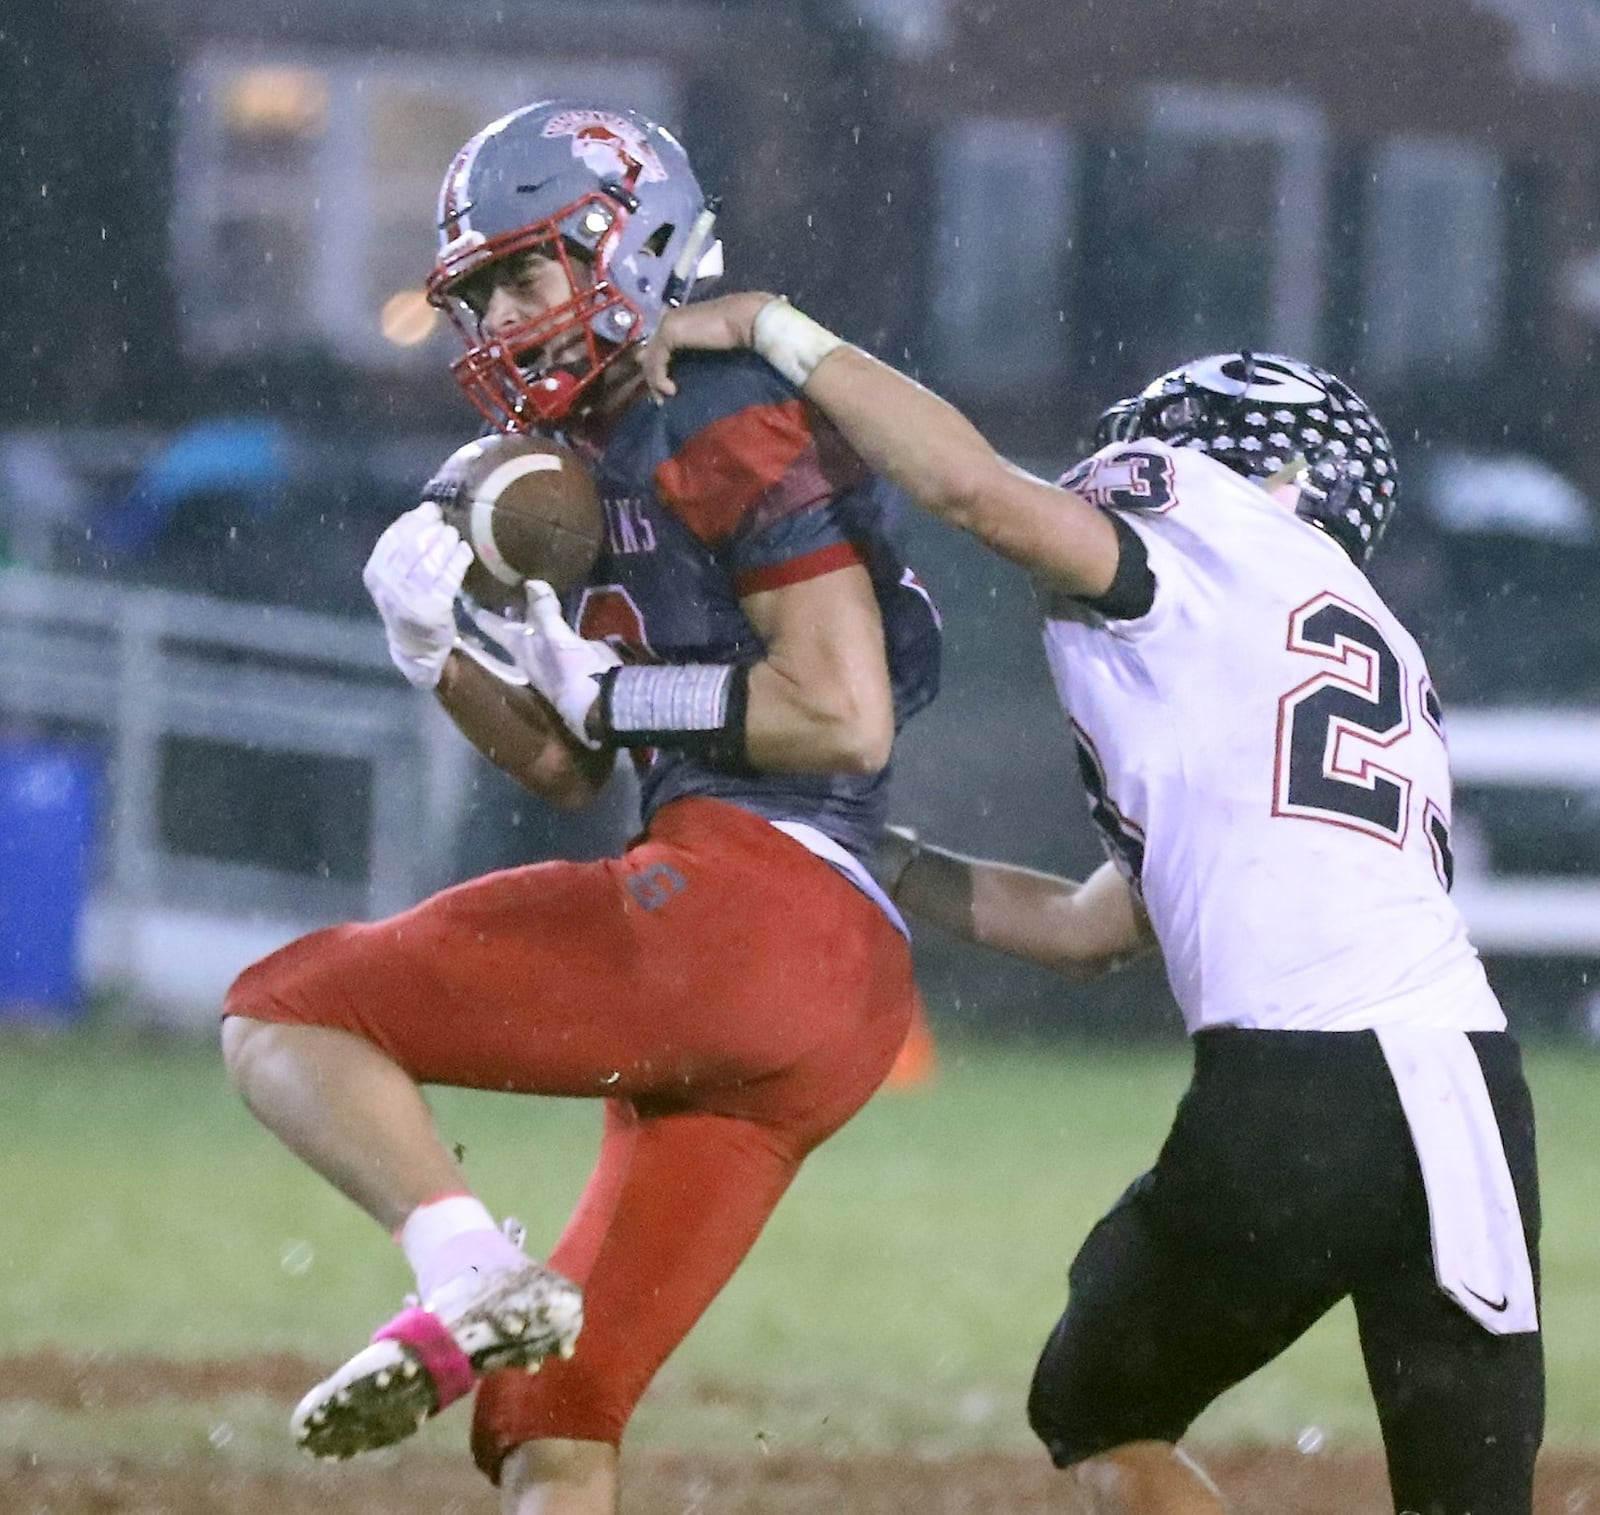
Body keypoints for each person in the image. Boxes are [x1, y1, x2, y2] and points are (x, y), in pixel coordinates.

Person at [642, 299, 1544, 1515]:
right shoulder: (1336, 639)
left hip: (1301, 1090)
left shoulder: (1202, 548)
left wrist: (775, 327)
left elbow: (966, 488)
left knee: (1099, 1412)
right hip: (1475, 1099)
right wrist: (872, 854)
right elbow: (1085, 926)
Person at [220, 102, 941, 1515]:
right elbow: (564, 765)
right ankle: (480, 1308)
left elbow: (839, 708)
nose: (499, 316)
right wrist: (437, 650)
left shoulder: (717, 403)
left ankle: (463, 1268)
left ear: (632, 242)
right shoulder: (590, 451)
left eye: (525, 273)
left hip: (758, 902)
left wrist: (623, 700)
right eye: (479, 290)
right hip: (817, 987)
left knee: (283, 1006)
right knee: (558, 1414)